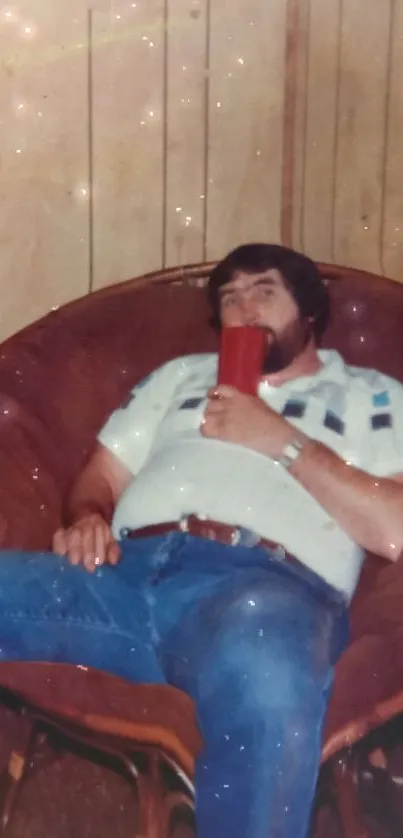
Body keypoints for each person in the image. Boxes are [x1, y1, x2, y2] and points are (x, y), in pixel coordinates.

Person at [0, 243, 402, 838]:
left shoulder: (373, 396)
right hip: (120, 576)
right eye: (230, 299)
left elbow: (394, 529)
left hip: (261, 592)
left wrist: (282, 442)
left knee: (267, 684)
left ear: (311, 311)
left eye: (264, 291)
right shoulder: (180, 376)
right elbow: (102, 476)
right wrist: (88, 516)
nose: (244, 309)